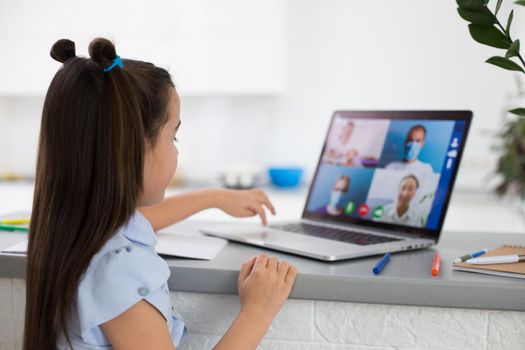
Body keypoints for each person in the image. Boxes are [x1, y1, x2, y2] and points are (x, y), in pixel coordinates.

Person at [24, 38, 297, 350]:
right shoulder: (119, 271)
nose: (177, 151)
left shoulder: (73, 228)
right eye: (173, 136)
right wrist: (258, 310)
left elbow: (138, 220)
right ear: (131, 150)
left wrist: (214, 198)